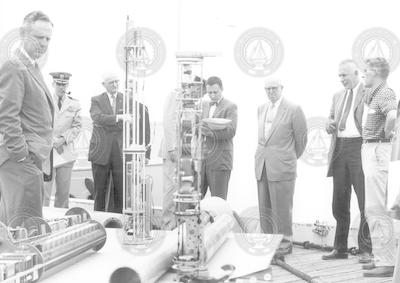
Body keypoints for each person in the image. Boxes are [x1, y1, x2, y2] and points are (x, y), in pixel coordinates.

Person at [0, 11, 54, 225]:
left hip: (31, 158)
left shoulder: (32, 66)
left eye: (48, 39)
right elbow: (6, 115)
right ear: (23, 34)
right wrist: (21, 155)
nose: (44, 43)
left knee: (19, 227)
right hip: (21, 160)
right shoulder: (14, 66)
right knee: (25, 229)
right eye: (39, 37)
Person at [322, 60, 372, 262]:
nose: (342, 79)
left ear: (357, 73)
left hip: (360, 147)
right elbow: (331, 118)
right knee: (339, 202)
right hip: (340, 149)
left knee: (364, 202)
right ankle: (340, 248)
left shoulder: (368, 92)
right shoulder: (337, 95)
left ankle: (366, 250)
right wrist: (328, 124)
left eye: (345, 75)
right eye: (339, 76)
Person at [255, 79, 307, 255]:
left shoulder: (294, 109)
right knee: (265, 208)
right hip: (262, 165)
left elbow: (301, 140)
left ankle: (285, 243)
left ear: (281, 88)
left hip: (283, 166)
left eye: (274, 88)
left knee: (282, 208)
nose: (270, 92)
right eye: (267, 89)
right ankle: (268, 242)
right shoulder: (261, 108)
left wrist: (288, 157)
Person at [88, 74, 150, 213]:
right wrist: (119, 118)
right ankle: (99, 219)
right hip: (100, 152)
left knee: (121, 192)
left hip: (120, 152)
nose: (115, 85)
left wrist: (109, 122)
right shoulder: (96, 100)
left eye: (117, 82)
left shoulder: (126, 100)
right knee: (100, 191)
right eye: (111, 82)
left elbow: (134, 120)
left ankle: (118, 222)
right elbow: (97, 118)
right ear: (103, 84)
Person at [361, 57, 397, 277]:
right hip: (372, 150)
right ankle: (381, 257)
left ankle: (387, 261)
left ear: (375, 72)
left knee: (377, 207)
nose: (363, 74)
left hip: (377, 150)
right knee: (372, 208)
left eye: (366, 71)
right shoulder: (373, 94)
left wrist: (386, 134)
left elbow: (392, 114)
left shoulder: (385, 93)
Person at [160, 76, 206, 229]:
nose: (201, 96)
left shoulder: (191, 102)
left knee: (181, 190)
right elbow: (169, 121)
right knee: (171, 188)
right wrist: (172, 147)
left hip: (186, 154)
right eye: (201, 92)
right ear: (194, 86)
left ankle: (177, 224)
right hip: (174, 151)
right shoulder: (176, 95)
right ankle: (167, 224)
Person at [43, 72, 81, 208]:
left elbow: (77, 126)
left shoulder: (74, 103)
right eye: (58, 84)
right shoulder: (44, 101)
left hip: (65, 153)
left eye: (64, 84)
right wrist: (52, 140)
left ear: (67, 85)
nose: (61, 87)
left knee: (63, 194)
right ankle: (43, 221)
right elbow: (39, 123)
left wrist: (64, 138)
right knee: (44, 193)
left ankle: (61, 223)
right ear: (53, 84)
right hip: (48, 152)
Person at [200, 76, 238, 200]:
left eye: (215, 92)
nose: (212, 95)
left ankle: (220, 220)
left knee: (218, 201)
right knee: (196, 201)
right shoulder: (204, 105)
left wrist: (210, 133)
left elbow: (231, 131)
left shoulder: (231, 106)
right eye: (209, 92)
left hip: (220, 161)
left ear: (222, 89)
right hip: (202, 161)